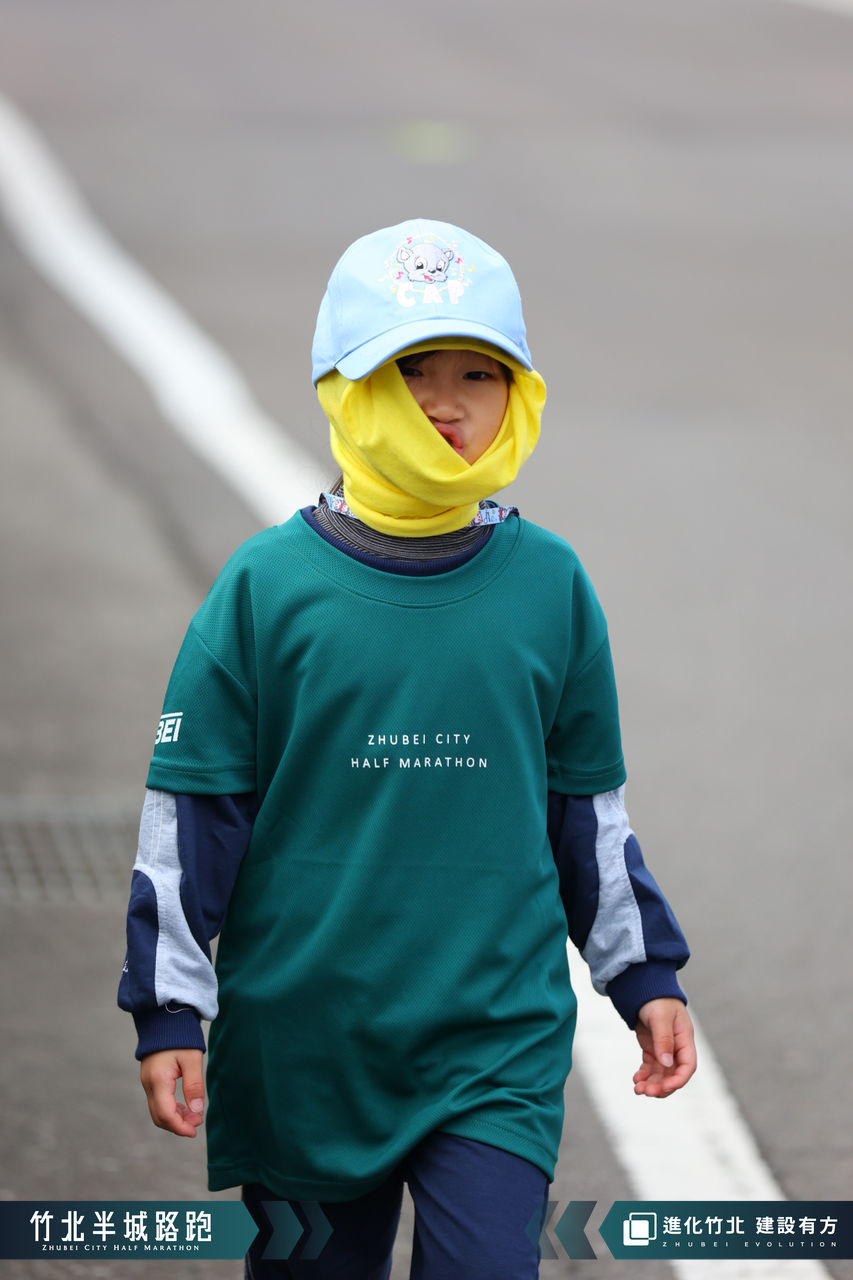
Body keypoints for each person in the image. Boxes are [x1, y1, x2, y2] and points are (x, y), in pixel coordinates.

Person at [119, 218, 696, 1279]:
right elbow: (191, 820)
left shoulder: (550, 586)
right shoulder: (265, 589)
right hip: (306, 1042)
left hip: (493, 1039)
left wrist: (644, 970)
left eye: (478, 372)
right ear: (346, 389)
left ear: (518, 394)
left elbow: (587, 813)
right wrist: (169, 1011)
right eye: (408, 370)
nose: (444, 400)